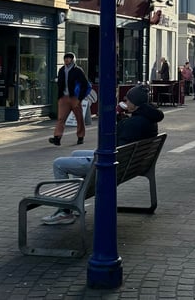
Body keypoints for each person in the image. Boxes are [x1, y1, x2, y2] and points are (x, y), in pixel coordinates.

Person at [42, 85, 164, 225]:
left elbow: (114, 143)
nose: (126, 101)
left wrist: (117, 119)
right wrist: (123, 120)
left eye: (128, 100)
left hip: (112, 164)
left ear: (135, 104)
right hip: (129, 164)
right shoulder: (148, 118)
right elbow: (127, 139)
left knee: (58, 163)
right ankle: (75, 204)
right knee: (75, 153)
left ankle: (65, 211)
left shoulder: (134, 123)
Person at [49, 52, 90, 146]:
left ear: (73, 60)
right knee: (61, 118)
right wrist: (59, 97)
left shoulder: (78, 70)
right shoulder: (62, 70)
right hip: (64, 97)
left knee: (79, 118)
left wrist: (79, 98)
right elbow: (60, 83)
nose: (67, 60)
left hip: (74, 98)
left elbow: (85, 84)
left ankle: (80, 137)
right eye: (65, 58)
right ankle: (57, 138)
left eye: (69, 58)